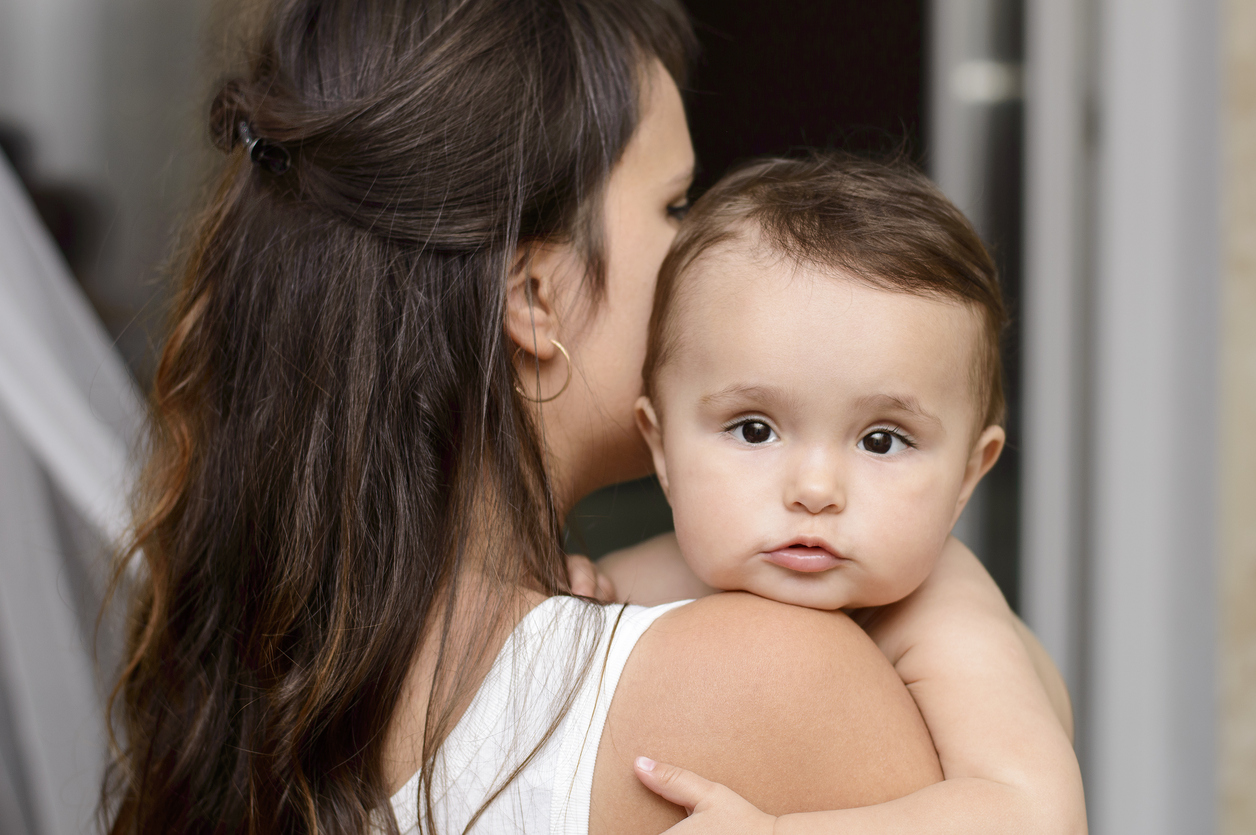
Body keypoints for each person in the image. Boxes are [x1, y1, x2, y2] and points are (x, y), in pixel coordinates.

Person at [101, 2, 1003, 833]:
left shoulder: (262, 690)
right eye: (676, 205)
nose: (706, 249)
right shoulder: (767, 682)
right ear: (534, 295)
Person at [594, 154, 1084, 833]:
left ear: (970, 475)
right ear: (662, 446)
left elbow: (1033, 813)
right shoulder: (651, 574)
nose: (815, 489)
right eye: (755, 428)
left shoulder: (942, 613)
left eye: (882, 440)